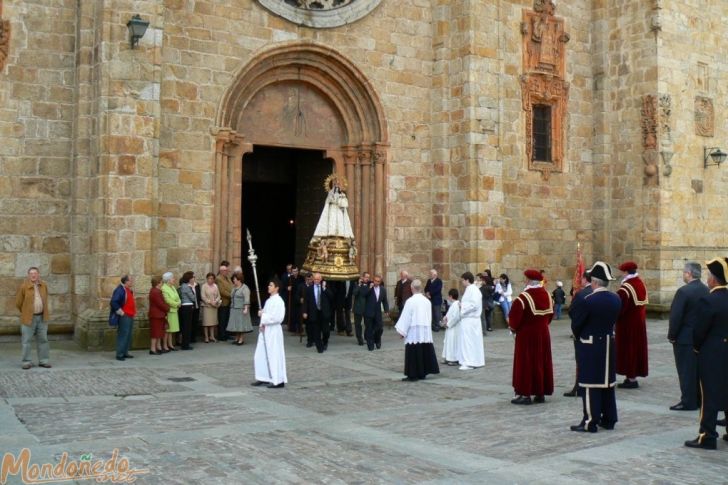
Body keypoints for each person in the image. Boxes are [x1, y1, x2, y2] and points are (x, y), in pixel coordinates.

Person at [569, 261, 621, 433]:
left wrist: (578, 336)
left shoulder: (588, 300)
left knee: (590, 384)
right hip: (609, 343)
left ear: (595, 282)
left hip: (591, 345)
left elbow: (577, 324)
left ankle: (590, 421)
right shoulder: (616, 298)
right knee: (607, 383)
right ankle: (609, 418)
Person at [684, 258, 728, 450]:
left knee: (708, 394)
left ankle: (707, 435)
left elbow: (699, 330)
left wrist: (696, 347)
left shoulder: (708, 300)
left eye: (710, 276)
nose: (708, 279)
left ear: (714, 279)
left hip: (712, 353)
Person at [508, 269, 554, 404]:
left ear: (528, 281)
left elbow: (514, 320)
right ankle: (540, 392)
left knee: (525, 363)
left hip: (526, 336)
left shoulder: (523, 298)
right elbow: (550, 316)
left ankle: (525, 393)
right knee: (541, 361)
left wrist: (513, 328)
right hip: (543, 334)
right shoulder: (547, 295)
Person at [667, 262, 708, 411]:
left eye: (684, 272)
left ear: (689, 274)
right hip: (701, 338)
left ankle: (688, 401)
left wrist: (672, 335)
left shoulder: (684, 291)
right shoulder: (706, 290)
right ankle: (698, 399)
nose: (683, 275)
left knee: (685, 371)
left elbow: (676, 317)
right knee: (697, 371)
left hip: (684, 338)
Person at [395, 279, 440, 381]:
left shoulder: (410, 301)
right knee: (424, 350)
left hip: (413, 331)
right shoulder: (427, 301)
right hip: (424, 330)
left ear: (411, 288)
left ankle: (413, 374)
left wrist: (402, 332)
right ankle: (422, 373)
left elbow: (406, 317)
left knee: (414, 352)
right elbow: (429, 316)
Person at [615, 261, 649, 388]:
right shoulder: (640, 283)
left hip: (627, 325)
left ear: (625, 272)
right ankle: (632, 375)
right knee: (636, 349)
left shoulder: (626, 288)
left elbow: (619, 308)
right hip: (639, 323)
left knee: (628, 350)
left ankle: (631, 378)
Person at [251, 278, 288, 389]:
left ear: (276, 288)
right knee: (260, 354)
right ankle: (263, 377)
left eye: (271, 285)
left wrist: (263, 315)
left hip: (274, 331)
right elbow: (266, 314)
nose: (268, 287)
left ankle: (278, 380)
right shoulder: (269, 300)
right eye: (269, 285)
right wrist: (262, 322)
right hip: (265, 330)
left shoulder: (279, 301)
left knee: (274, 354)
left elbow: (278, 318)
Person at [15, 266, 51, 369]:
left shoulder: (43, 285)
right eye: (31, 273)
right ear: (28, 275)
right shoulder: (23, 287)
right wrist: (26, 312)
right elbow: (18, 303)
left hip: (42, 317)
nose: (33, 275)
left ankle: (44, 361)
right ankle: (26, 362)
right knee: (26, 341)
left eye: (35, 273)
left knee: (43, 340)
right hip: (28, 318)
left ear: (38, 274)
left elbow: (45, 299)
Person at [564, 270, 592, 397]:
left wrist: (576, 331)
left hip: (583, 333)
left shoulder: (581, 294)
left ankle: (580, 386)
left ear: (585, 279)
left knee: (581, 360)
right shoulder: (605, 293)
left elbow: (572, 312)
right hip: (600, 335)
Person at [458, 271, 485, 370]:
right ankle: (469, 360)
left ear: (467, 280)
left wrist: (462, 306)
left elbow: (474, 305)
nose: (462, 283)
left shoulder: (473, 290)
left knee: (469, 341)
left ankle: (470, 362)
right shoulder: (470, 289)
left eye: (462, 280)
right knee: (468, 341)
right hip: (468, 320)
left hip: (471, 320)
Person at [302, 272, 334, 353]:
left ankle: (325, 341)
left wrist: (324, 288)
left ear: (321, 279)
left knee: (326, 331)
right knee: (316, 331)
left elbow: (331, 297)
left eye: (318, 279)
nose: (316, 281)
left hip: (324, 313)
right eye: (315, 279)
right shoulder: (309, 289)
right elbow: (306, 301)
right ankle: (319, 347)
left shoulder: (325, 287)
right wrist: (305, 312)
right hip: (314, 312)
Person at [110, 275, 136, 362]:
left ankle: (125, 352)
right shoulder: (120, 290)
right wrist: (121, 312)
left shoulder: (128, 290)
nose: (132, 282)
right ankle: (120, 354)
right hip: (125, 315)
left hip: (130, 315)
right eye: (130, 280)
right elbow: (113, 302)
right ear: (126, 281)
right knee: (123, 334)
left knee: (128, 335)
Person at [362, 274, 390, 351]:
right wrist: (369, 288)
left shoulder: (383, 289)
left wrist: (386, 310)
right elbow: (363, 295)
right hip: (368, 312)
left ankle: (377, 340)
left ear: (380, 282)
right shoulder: (368, 287)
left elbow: (385, 301)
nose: (376, 283)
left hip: (378, 312)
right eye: (375, 281)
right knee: (369, 329)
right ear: (373, 280)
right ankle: (370, 344)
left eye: (378, 281)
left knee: (379, 328)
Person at [227, 272, 253, 345]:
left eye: (234, 279)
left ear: (239, 280)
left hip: (241, 309)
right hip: (234, 308)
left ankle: (241, 339)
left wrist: (246, 308)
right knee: (236, 325)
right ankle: (237, 338)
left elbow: (247, 299)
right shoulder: (234, 287)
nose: (233, 280)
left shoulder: (245, 288)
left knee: (241, 324)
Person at [148, 276, 169, 355]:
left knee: (158, 332)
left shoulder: (155, 291)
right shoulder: (155, 292)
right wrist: (168, 308)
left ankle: (157, 347)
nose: (162, 284)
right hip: (156, 314)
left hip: (158, 314)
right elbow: (160, 304)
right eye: (161, 282)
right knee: (155, 333)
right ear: (158, 283)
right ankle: (153, 349)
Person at [161, 272, 181, 352]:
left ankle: (170, 345)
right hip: (169, 311)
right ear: (168, 280)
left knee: (171, 330)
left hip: (174, 310)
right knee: (167, 330)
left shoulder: (172, 287)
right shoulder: (164, 288)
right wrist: (177, 304)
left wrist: (179, 302)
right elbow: (167, 300)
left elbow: (177, 297)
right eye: (173, 278)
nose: (174, 279)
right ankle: (165, 346)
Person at [441, 288, 461, 365]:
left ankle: (454, 359)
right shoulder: (453, 304)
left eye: (448, 296)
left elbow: (456, 317)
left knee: (453, 343)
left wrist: (448, 324)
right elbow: (449, 314)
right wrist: (445, 318)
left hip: (454, 328)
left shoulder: (456, 305)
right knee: (448, 342)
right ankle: (448, 357)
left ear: (451, 296)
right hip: (450, 328)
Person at [178, 271, 196, 351]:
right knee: (187, 326)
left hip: (186, 306)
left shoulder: (183, 286)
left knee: (186, 326)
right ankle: (185, 344)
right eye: (192, 277)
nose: (193, 279)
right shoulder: (186, 286)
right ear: (189, 278)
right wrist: (192, 289)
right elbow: (192, 297)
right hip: (187, 306)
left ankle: (185, 343)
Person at [201, 272, 221, 342]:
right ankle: (206, 337)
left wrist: (216, 301)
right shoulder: (204, 286)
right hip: (207, 307)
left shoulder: (216, 286)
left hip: (214, 306)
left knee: (212, 322)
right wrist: (210, 302)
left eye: (212, 278)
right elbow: (203, 296)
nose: (211, 280)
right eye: (209, 278)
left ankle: (212, 336)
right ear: (207, 279)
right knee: (206, 323)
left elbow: (219, 295)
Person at [351, 272, 371, 345]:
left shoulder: (370, 285)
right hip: (358, 308)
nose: (367, 279)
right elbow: (354, 293)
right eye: (366, 277)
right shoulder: (357, 284)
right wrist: (359, 285)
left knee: (368, 324)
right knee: (358, 325)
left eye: (368, 277)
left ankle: (366, 337)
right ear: (362, 277)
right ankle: (359, 339)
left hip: (367, 308)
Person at [216, 263, 233, 342]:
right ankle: (222, 335)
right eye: (226, 270)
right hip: (223, 302)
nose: (227, 271)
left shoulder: (228, 278)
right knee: (222, 319)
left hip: (229, 302)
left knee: (227, 319)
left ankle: (227, 334)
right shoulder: (218, 279)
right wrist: (232, 295)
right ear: (222, 271)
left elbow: (232, 286)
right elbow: (222, 291)